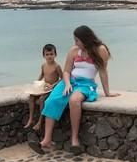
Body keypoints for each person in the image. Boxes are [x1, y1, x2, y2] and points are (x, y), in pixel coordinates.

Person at [32, 25, 120, 154]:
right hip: (70, 81)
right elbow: (66, 71)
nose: (75, 43)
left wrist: (107, 92)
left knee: (74, 100)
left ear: (86, 39)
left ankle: (75, 140)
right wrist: (67, 84)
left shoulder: (101, 50)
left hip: (86, 85)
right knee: (51, 100)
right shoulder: (74, 50)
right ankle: (46, 141)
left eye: (77, 40)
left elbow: (102, 71)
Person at [24, 44, 63, 131]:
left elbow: (62, 79)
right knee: (31, 97)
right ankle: (30, 118)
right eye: (47, 54)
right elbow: (42, 74)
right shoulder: (43, 65)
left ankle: (40, 121)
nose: (49, 56)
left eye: (51, 54)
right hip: (44, 86)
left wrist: (53, 85)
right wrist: (36, 83)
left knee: (42, 99)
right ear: (44, 55)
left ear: (55, 55)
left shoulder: (57, 66)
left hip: (51, 89)